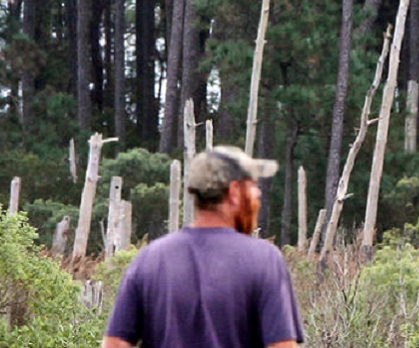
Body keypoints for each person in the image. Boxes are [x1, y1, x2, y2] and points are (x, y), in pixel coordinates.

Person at [102, 146, 304, 348]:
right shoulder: (264, 259)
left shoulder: (150, 258)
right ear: (234, 192)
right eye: (251, 185)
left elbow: (115, 343)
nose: (257, 193)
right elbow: (282, 345)